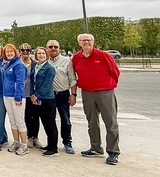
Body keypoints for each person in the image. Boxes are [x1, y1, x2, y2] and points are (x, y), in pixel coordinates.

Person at [72, 33, 121, 165]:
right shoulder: (76, 57)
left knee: (110, 122)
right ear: (79, 43)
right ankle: (95, 147)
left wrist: (108, 85)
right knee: (92, 121)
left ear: (93, 42)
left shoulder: (103, 55)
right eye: (83, 40)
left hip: (105, 92)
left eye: (88, 40)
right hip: (87, 93)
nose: (86, 42)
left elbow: (115, 72)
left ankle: (113, 152)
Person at [47, 39, 77, 153]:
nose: (53, 49)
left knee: (65, 119)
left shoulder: (67, 61)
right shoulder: (45, 61)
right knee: (50, 120)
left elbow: (73, 79)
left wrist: (73, 94)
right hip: (49, 95)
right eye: (50, 47)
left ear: (59, 48)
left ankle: (67, 141)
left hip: (62, 94)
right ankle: (52, 143)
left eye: (55, 47)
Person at [30, 46, 59, 157]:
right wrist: (33, 95)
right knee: (45, 123)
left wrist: (36, 95)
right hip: (38, 98)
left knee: (50, 123)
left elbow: (47, 85)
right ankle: (49, 145)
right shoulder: (36, 66)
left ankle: (53, 148)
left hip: (47, 98)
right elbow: (33, 82)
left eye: (43, 53)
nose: (41, 55)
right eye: (39, 53)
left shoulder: (49, 68)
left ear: (46, 55)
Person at [3, 44, 29, 155]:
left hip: (16, 97)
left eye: (11, 51)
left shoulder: (19, 65)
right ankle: (16, 141)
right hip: (7, 95)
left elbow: (20, 82)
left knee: (19, 121)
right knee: (12, 121)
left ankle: (24, 145)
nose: (9, 53)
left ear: (15, 52)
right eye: (7, 52)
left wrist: (18, 97)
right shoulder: (10, 64)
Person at [19, 43, 42, 149]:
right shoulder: (16, 63)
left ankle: (35, 137)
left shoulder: (35, 64)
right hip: (22, 93)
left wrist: (36, 93)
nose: (25, 52)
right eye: (23, 50)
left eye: (27, 50)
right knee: (25, 116)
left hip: (32, 94)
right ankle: (28, 137)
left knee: (35, 116)